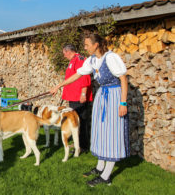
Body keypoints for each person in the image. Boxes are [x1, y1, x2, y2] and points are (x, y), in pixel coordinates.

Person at [50, 33, 129, 187]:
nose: (85, 48)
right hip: (102, 96)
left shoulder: (111, 57)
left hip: (113, 96)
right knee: (101, 131)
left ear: (96, 45)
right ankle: (100, 168)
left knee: (111, 133)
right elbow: (77, 75)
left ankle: (106, 175)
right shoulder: (92, 60)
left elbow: (123, 79)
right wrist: (59, 86)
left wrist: (123, 103)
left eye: (87, 45)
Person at [61, 44, 92, 152]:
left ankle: (83, 146)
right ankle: (77, 143)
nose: (64, 56)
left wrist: (83, 93)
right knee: (75, 122)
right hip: (73, 96)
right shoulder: (73, 60)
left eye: (64, 53)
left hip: (79, 97)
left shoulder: (80, 59)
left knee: (81, 121)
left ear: (68, 51)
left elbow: (85, 76)